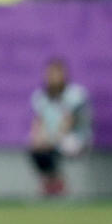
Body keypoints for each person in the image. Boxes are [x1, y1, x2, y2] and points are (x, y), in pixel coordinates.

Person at [28, 58, 92, 196]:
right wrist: (37, 138)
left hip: (75, 138)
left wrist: (52, 140)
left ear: (64, 75)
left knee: (50, 147)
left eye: (56, 74)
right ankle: (54, 182)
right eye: (50, 74)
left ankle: (56, 183)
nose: (53, 78)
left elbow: (69, 121)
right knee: (36, 149)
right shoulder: (41, 97)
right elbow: (39, 122)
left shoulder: (75, 94)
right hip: (53, 138)